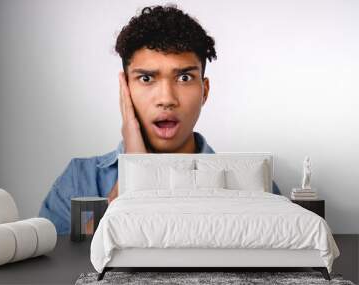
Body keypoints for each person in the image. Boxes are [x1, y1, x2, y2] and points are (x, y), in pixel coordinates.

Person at [39, 5, 281, 235]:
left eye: (184, 77)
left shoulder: (253, 181)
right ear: (126, 89)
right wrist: (133, 172)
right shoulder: (80, 179)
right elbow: (64, 268)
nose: (166, 99)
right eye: (146, 79)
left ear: (204, 91)